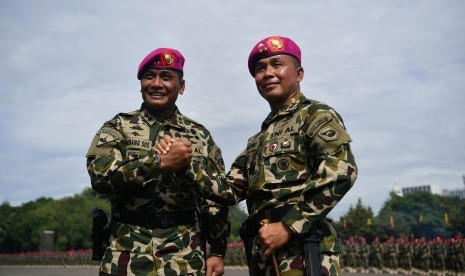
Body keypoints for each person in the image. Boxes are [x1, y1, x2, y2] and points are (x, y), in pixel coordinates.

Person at [157, 36, 358, 275]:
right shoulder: (257, 142)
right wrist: (185, 164)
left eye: (277, 64)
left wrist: (288, 226)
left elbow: (341, 171)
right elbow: (228, 190)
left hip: (304, 249)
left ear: (299, 73)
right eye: (260, 69)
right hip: (263, 252)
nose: (268, 73)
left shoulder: (315, 115)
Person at [86, 47, 230, 276]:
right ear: (140, 84)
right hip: (125, 250)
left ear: (181, 87)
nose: (156, 83)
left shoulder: (200, 136)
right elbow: (100, 176)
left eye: (166, 77)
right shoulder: (118, 127)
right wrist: (157, 162)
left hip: (184, 253)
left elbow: (216, 200)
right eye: (149, 76)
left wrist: (217, 251)